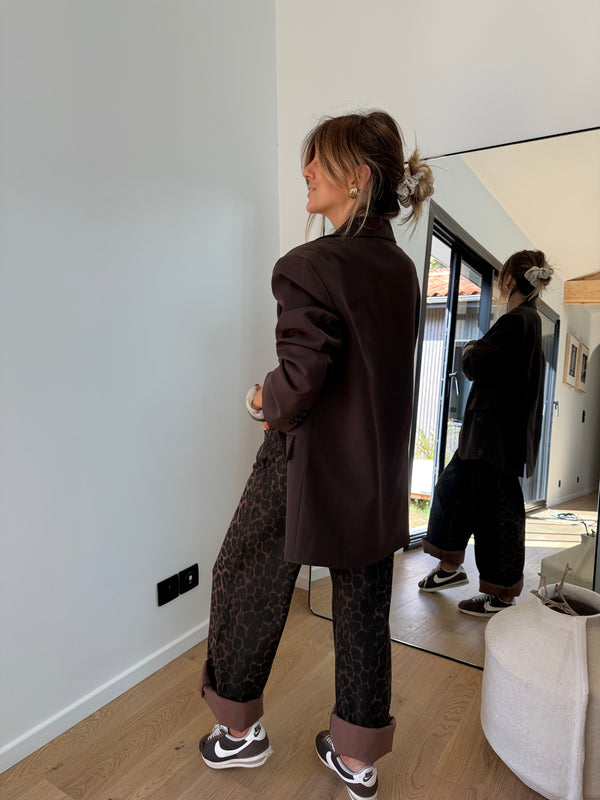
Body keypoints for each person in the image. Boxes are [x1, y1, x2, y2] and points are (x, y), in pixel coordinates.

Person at [198, 110, 434, 799]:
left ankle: (237, 733)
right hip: (376, 469)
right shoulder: (401, 270)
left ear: (356, 178)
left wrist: (258, 400)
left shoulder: (308, 265)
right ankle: (357, 759)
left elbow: (300, 381)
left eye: (318, 162)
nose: (305, 172)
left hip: (303, 464)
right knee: (363, 605)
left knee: (244, 573)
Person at [418, 250, 553, 616]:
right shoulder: (528, 321)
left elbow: (475, 362)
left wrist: (469, 349)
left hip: (493, 439)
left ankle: (502, 594)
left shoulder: (518, 321)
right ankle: (450, 567)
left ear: (508, 279)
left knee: (497, 514)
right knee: (452, 492)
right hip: (487, 437)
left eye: (500, 276)